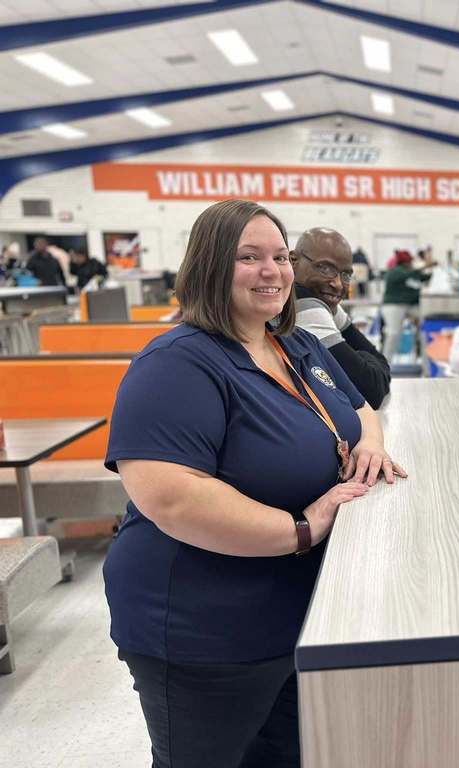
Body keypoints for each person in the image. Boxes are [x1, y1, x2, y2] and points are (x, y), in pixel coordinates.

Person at [102, 199, 407, 768]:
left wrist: (371, 443)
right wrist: (302, 527)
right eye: (249, 258)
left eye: (279, 256)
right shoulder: (177, 363)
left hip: (294, 616)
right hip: (205, 629)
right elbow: (172, 496)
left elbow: (361, 405)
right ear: (211, 267)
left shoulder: (294, 344)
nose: (273, 272)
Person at [292, 227, 391, 409]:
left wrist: (362, 358)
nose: (337, 284)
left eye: (345, 275)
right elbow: (371, 390)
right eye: (325, 268)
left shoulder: (321, 301)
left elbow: (378, 361)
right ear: (293, 261)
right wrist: (361, 358)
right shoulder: (304, 303)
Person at [380, 249, 432, 360]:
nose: (411, 264)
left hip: (410, 306)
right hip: (393, 306)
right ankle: (385, 361)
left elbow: (423, 277)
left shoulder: (411, 273)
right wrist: (425, 266)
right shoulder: (395, 272)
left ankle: (424, 356)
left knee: (427, 322)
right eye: (410, 262)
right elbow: (408, 274)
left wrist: (433, 272)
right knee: (393, 333)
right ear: (405, 263)